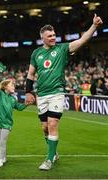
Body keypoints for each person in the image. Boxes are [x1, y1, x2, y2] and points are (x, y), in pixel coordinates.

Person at [25, 14, 103, 170]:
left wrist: (94, 26)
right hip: (42, 95)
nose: (53, 37)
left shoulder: (62, 49)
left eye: (54, 35)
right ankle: (54, 152)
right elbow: (30, 74)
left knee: (53, 124)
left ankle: (49, 159)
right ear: (43, 38)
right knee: (45, 128)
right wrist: (28, 92)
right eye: (50, 36)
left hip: (57, 93)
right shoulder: (36, 54)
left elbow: (82, 40)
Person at [0, 78, 27, 167]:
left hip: (7, 123)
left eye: (14, 85)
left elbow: (19, 107)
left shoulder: (13, 99)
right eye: (11, 85)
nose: (14, 86)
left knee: (2, 142)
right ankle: (3, 156)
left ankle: (1, 159)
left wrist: (26, 104)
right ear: (5, 87)